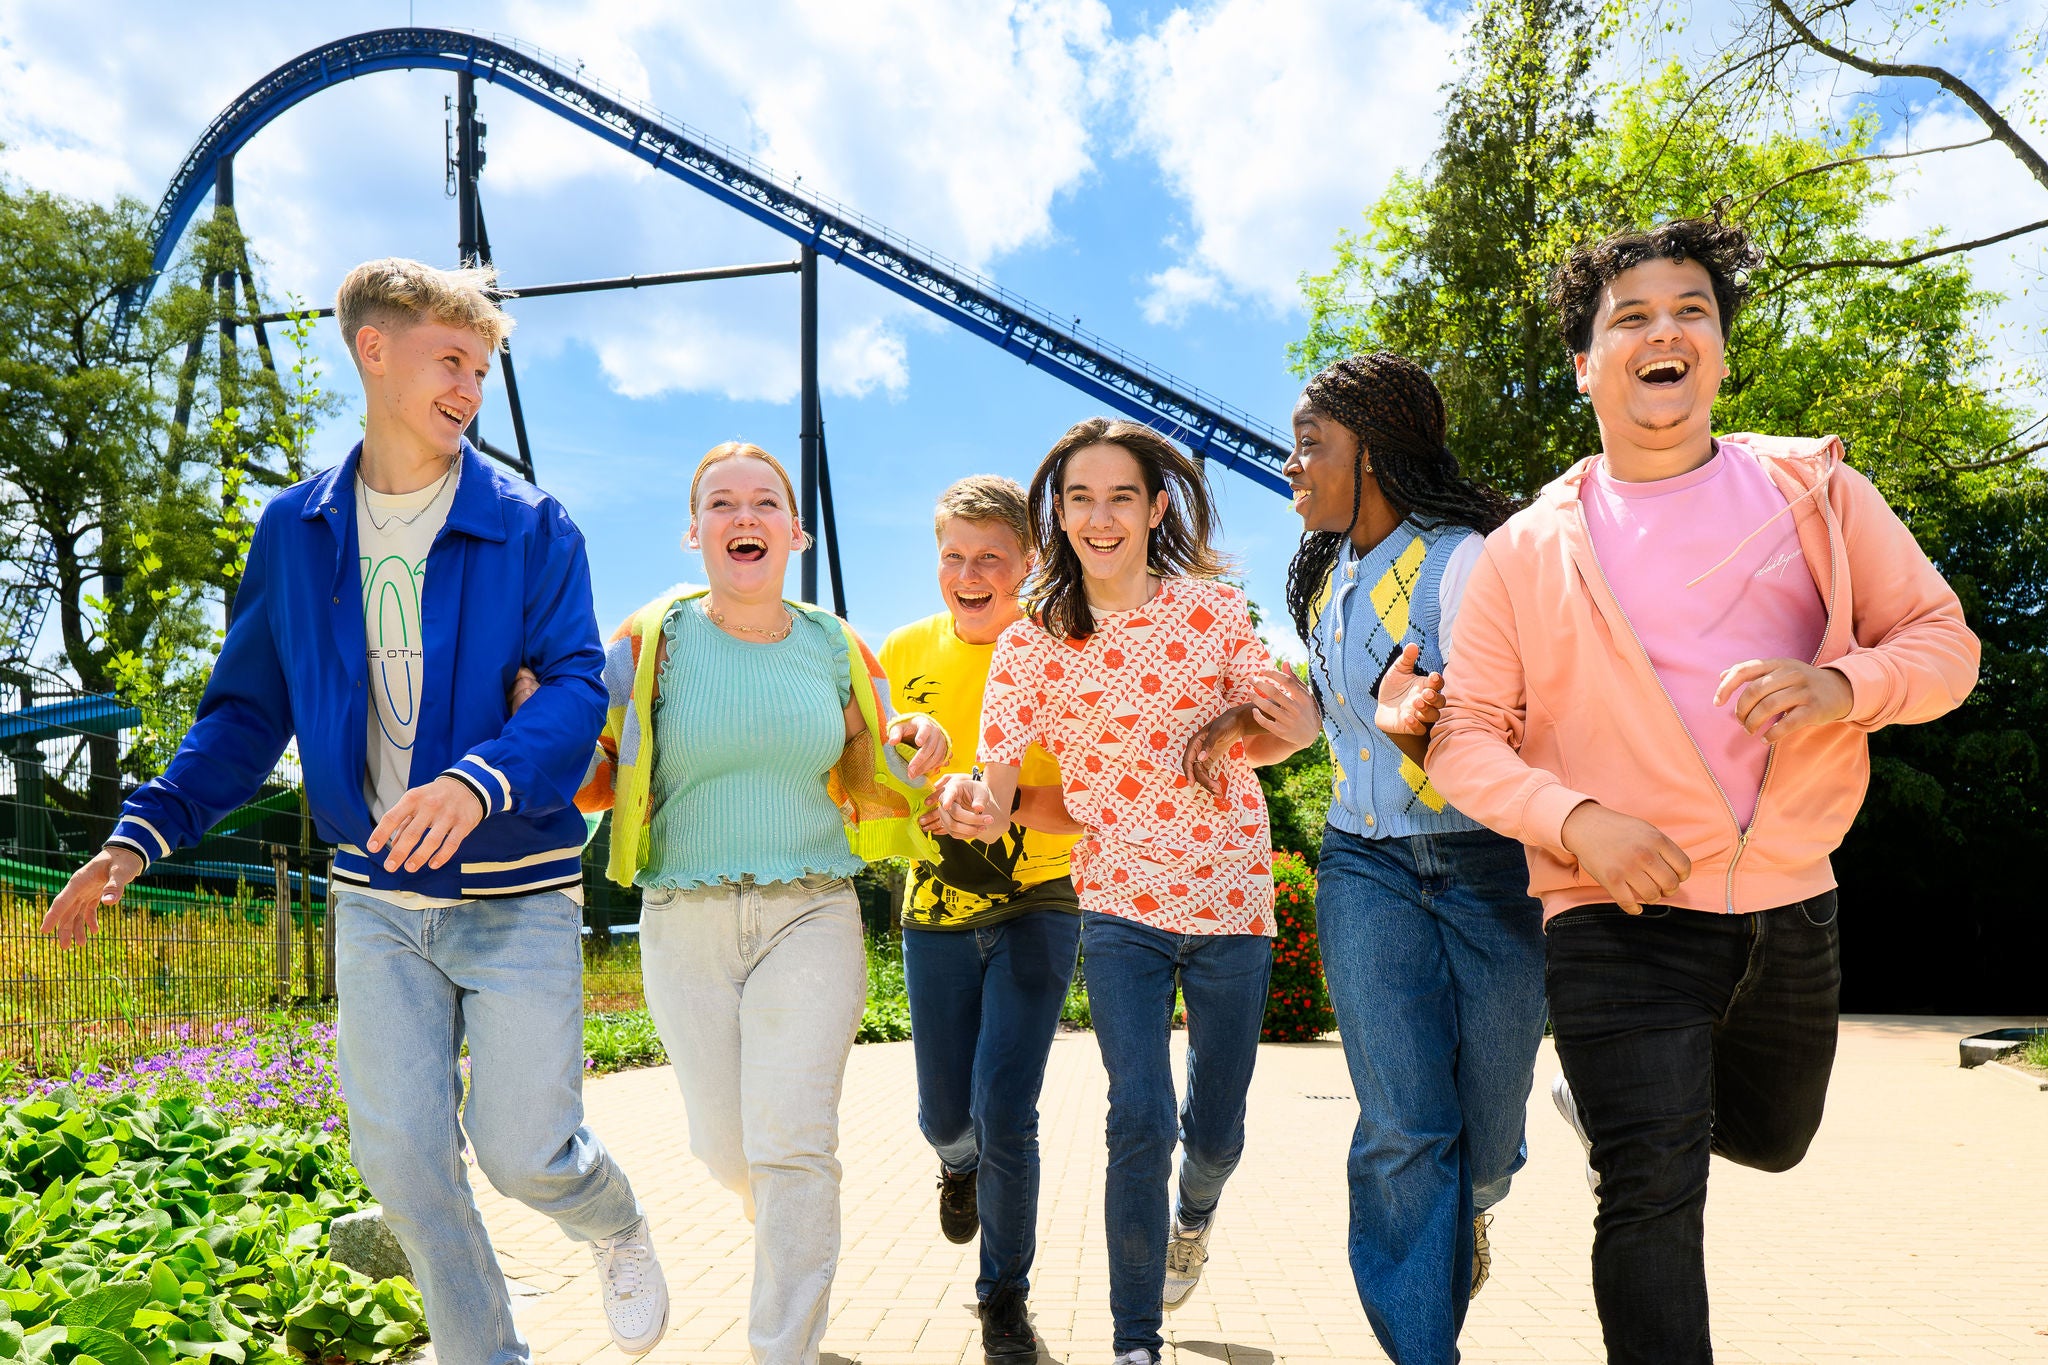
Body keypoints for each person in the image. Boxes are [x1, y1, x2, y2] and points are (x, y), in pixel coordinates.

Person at [39, 259, 670, 1364]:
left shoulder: (531, 524)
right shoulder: (297, 530)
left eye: (480, 369)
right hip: (375, 898)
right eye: (451, 360)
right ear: (373, 351)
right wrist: (143, 832)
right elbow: (246, 710)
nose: (469, 387)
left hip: (516, 889)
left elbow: (576, 691)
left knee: (524, 1154)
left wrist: (477, 780)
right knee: (405, 1167)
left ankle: (611, 1220)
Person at [1425, 218, 1980, 1365]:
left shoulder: (1815, 493)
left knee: (1773, 1139)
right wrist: (1576, 822)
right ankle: (1621, 1118)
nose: (1662, 332)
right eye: (1628, 317)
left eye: (1689, 312)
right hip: (1614, 911)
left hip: (1789, 897)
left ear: (1719, 353)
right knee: (1649, 1191)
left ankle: (1596, 1107)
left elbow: (1942, 646)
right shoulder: (1521, 552)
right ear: (1584, 366)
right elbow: (1464, 741)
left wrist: (1841, 685)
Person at [934, 418, 1319, 1365]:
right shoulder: (1030, 645)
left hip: (1230, 899)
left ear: (1155, 508)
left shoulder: (1213, 611)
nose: (1099, 517)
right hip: (1117, 905)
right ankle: (1135, 1341)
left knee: (1214, 1135)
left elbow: (1277, 731)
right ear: (1058, 515)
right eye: (1080, 498)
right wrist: (971, 804)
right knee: (1137, 1115)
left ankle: (1197, 1209)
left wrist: (1302, 725)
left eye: (1119, 497)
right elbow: (996, 787)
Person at [576, 441, 949, 1365]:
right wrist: (538, 716)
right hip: (684, 918)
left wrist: (920, 736)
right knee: (727, 1149)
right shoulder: (648, 639)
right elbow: (589, 766)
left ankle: (784, 1347)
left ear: (795, 530)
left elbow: (881, 761)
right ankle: (775, 1204)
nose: (744, 516)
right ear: (694, 531)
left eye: (764, 502)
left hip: (810, 909)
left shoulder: (833, 643)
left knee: (795, 1145)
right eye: (721, 502)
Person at [1281, 352, 1546, 1363]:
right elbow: (1334, 721)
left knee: (1484, 1129)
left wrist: (1428, 728)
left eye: (1310, 444)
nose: (1291, 464)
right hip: (1362, 865)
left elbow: (1524, 724)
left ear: (1373, 452)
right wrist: (1258, 726)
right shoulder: (1322, 579)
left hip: (1488, 868)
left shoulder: (1467, 562)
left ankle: (1472, 1205)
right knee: (1403, 1127)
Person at [878, 475, 1086, 1364]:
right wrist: (901, 750)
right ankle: (955, 1164)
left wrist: (1002, 806)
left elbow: (1092, 800)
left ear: (1029, 562)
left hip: (1040, 899)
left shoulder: (1064, 651)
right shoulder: (901, 650)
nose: (969, 575)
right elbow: (870, 771)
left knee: (1008, 1108)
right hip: (934, 909)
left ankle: (1004, 1299)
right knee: (944, 1116)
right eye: (953, 556)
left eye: (991, 558)